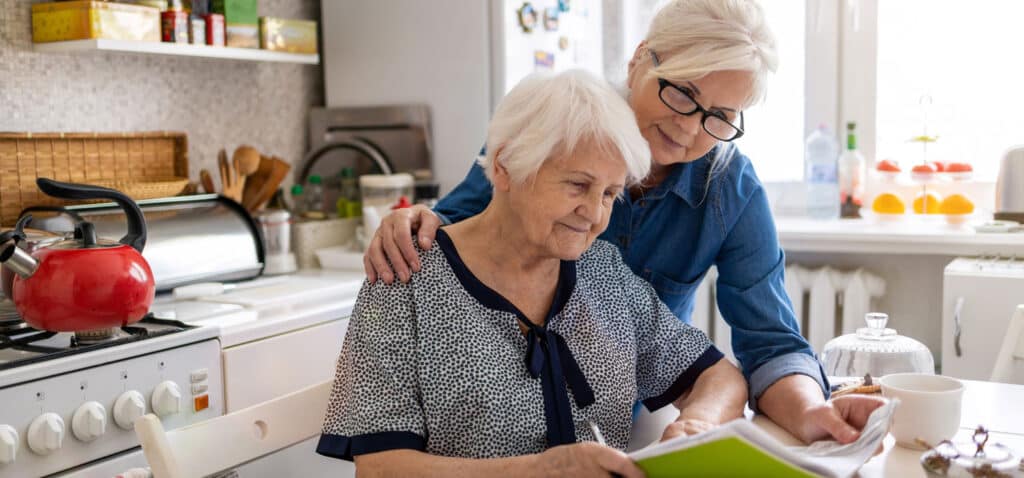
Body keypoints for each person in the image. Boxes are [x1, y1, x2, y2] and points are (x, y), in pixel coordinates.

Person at [363, 0, 886, 445]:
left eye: (720, 116)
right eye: (682, 92)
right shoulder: (553, 129)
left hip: (616, 421)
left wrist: (812, 412)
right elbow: (453, 232)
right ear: (640, 61)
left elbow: (769, 344)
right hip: (488, 424)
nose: (688, 127)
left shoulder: (730, 191)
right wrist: (409, 221)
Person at [317, 69, 747, 477]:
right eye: (578, 185)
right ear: (504, 166)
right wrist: (540, 472)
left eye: (611, 194)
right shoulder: (406, 279)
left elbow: (719, 377)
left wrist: (697, 427)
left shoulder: (604, 272)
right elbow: (379, 468)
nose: (595, 214)